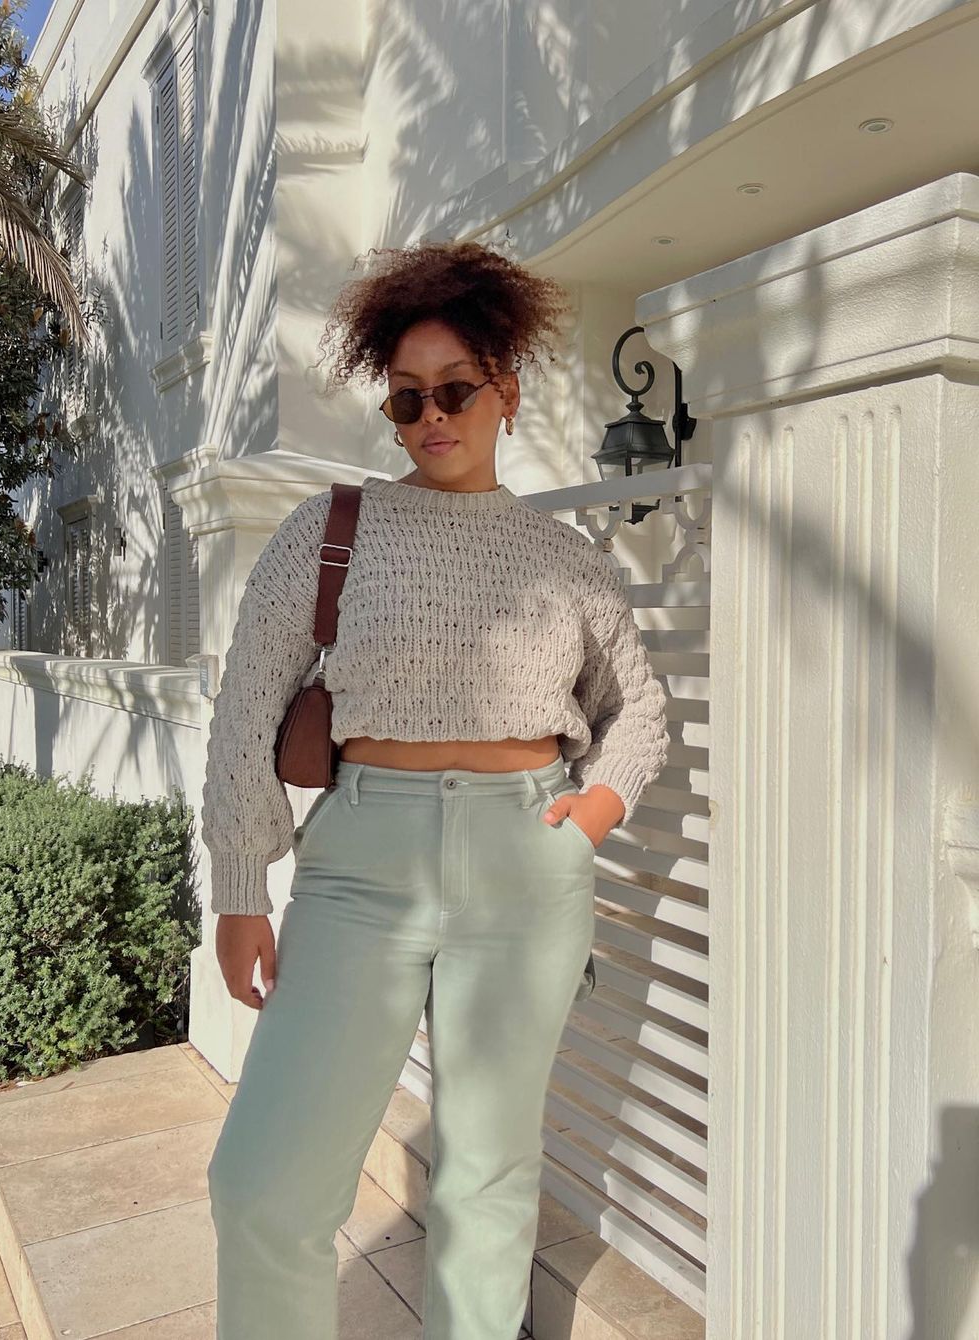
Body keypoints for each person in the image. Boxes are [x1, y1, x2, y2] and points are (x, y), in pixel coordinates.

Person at [202, 239, 670, 1340]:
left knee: (486, 1186)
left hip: (526, 865)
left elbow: (637, 709)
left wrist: (589, 819)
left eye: (455, 389)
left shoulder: (566, 557)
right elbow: (245, 706)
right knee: (263, 1185)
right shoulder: (329, 533)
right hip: (359, 866)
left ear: (507, 390)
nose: (431, 417)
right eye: (407, 398)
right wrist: (239, 885)